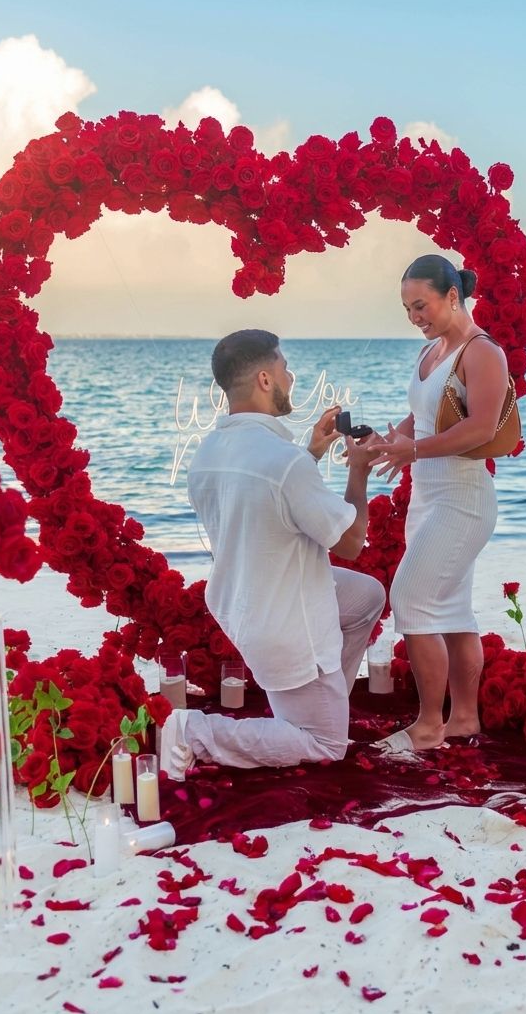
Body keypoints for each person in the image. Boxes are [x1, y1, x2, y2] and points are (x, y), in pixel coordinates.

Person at [159, 329, 386, 778]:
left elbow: (266, 501)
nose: (291, 377)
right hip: (288, 625)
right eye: (285, 368)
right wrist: (358, 470)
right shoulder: (285, 462)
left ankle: (327, 701)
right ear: (265, 379)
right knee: (324, 745)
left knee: (367, 597)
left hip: (245, 603)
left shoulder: (209, 452)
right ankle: (192, 731)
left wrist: (312, 453)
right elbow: (351, 543)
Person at [371, 255, 510, 751]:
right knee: (451, 610)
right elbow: (421, 416)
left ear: (453, 296)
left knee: (410, 599)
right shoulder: (431, 351)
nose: (414, 317)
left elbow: (481, 428)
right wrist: (388, 444)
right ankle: (464, 719)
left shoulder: (482, 351)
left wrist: (412, 451)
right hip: (428, 498)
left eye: (421, 305)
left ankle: (429, 724)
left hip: (462, 499)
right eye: (407, 309)